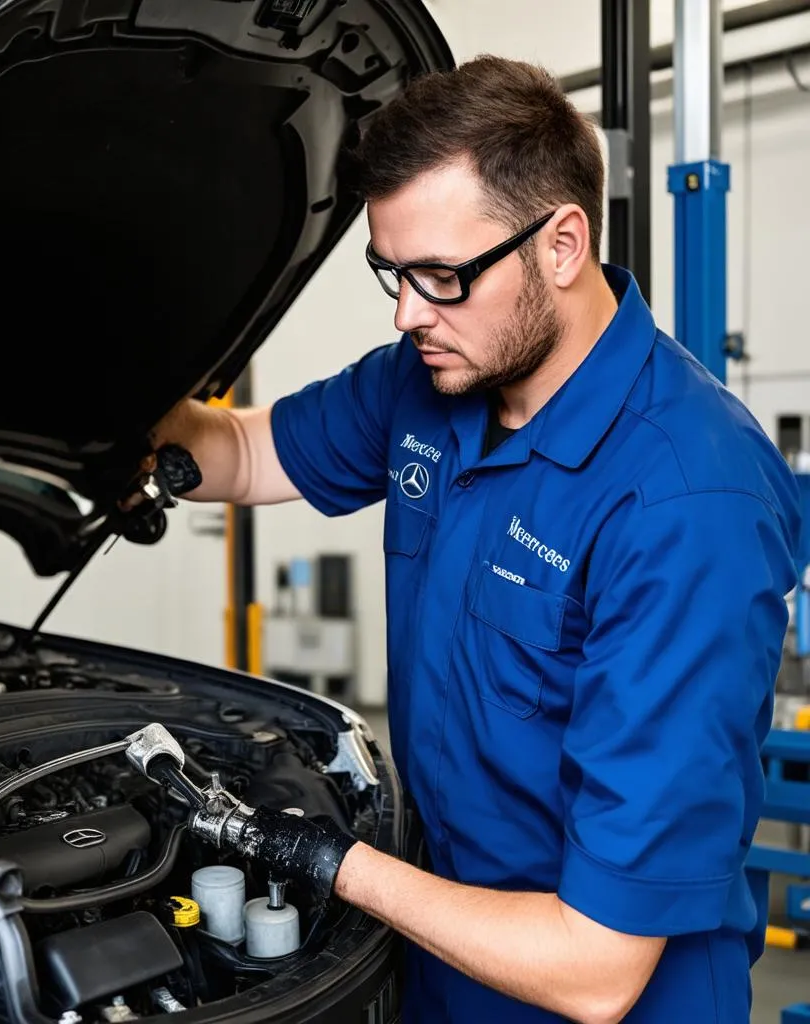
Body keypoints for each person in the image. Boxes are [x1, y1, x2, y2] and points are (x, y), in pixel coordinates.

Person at [134, 56, 802, 1023]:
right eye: (391, 274)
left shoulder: (688, 503)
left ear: (562, 243)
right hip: (445, 967)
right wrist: (107, 394)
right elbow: (238, 449)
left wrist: (331, 861)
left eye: (443, 276)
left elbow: (599, 968)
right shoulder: (434, 375)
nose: (409, 313)